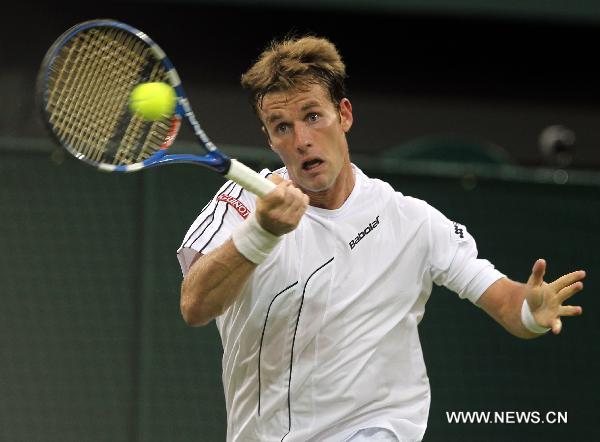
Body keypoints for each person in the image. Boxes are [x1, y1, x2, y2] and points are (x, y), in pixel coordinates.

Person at [176, 35, 585, 442]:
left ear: (344, 115)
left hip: (377, 430)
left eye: (313, 116)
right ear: (270, 139)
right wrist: (261, 234)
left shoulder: (412, 221)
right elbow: (195, 306)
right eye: (282, 127)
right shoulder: (244, 202)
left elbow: (506, 303)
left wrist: (531, 310)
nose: (301, 140)